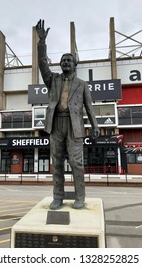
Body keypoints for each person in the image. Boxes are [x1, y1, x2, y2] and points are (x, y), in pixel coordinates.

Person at [36, 20, 100, 210]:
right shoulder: (53, 79)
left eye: (68, 60)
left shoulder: (82, 84)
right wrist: (42, 43)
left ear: (74, 64)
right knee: (56, 163)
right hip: (56, 125)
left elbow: (89, 106)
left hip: (75, 126)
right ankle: (58, 197)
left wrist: (95, 126)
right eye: (63, 60)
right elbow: (42, 64)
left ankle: (80, 197)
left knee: (76, 162)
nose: (65, 62)